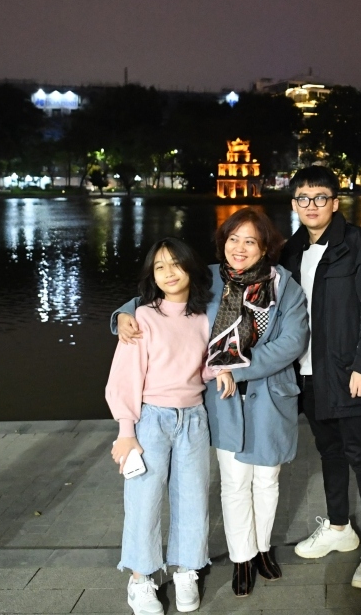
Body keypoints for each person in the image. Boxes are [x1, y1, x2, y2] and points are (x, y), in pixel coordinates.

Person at [112, 209, 309, 599]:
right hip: (223, 402)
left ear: (265, 246)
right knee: (234, 482)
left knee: (267, 481)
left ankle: (263, 549)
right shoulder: (210, 277)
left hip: (269, 396)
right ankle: (241, 556)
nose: (240, 248)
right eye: (233, 239)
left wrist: (236, 370)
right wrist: (121, 315)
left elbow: (292, 342)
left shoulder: (285, 286)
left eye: (250, 241)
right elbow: (158, 297)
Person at [282, 165, 361, 590]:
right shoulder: (291, 249)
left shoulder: (360, 246)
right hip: (307, 372)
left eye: (319, 197)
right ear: (294, 204)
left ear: (335, 202)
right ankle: (338, 528)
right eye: (302, 198)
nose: (311, 206)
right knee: (328, 452)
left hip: (348, 373)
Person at [105, 238, 235, 615]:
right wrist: (126, 431)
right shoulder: (143, 317)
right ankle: (140, 579)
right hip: (151, 419)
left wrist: (220, 369)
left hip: (193, 417)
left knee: (192, 496)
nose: (168, 273)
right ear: (152, 275)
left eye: (175, 265)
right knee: (144, 500)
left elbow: (202, 361)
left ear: (190, 269)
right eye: (159, 267)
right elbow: (124, 378)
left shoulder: (202, 317)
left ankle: (186, 570)